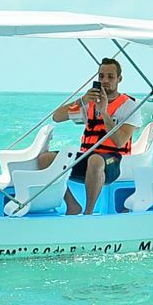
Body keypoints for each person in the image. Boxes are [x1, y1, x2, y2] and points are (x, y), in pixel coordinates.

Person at [38, 57, 141, 215]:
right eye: (101, 76)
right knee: (45, 159)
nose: (105, 80)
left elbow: (120, 141)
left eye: (110, 76)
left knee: (95, 159)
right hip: (88, 157)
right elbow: (57, 117)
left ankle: (88, 213)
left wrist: (104, 111)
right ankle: (72, 205)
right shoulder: (89, 104)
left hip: (114, 162)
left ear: (119, 79)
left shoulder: (129, 106)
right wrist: (82, 100)